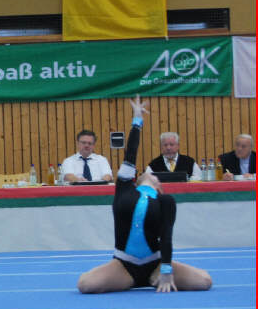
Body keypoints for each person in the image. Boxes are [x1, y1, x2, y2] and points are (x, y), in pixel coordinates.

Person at [77, 96, 212, 294]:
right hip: (124, 265)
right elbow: (131, 153)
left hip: (155, 264)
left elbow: (166, 237)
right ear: (138, 178)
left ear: (159, 184)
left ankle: (152, 278)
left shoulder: (165, 200)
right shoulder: (124, 187)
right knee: (85, 284)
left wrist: (166, 270)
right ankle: (130, 280)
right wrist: (137, 120)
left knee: (205, 281)